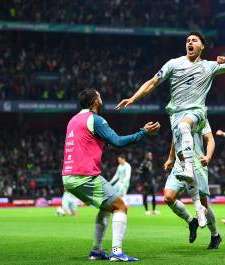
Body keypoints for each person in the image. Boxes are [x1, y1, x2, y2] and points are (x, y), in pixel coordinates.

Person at [116, 31, 225, 227]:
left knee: (185, 125)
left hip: (197, 113)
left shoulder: (209, 66)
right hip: (176, 117)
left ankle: (193, 178)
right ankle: (197, 218)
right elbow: (152, 82)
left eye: (194, 40)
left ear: (202, 46)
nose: (190, 43)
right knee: (181, 132)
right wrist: (134, 98)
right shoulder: (173, 64)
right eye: (188, 41)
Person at [61, 88, 160, 262]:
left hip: (68, 176)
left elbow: (85, 143)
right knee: (121, 207)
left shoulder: (73, 120)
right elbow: (118, 142)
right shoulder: (95, 120)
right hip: (84, 175)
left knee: (106, 208)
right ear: (95, 102)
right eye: (99, 96)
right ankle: (116, 251)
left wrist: (101, 144)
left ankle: (97, 250)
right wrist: (143, 132)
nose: (101, 98)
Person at [163, 120, 222, 249]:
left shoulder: (200, 117)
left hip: (197, 164)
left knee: (203, 205)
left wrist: (208, 156)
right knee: (168, 197)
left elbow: (210, 139)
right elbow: (175, 139)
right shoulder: (175, 116)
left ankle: (215, 235)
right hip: (179, 165)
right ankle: (191, 221)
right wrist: (170, 158)